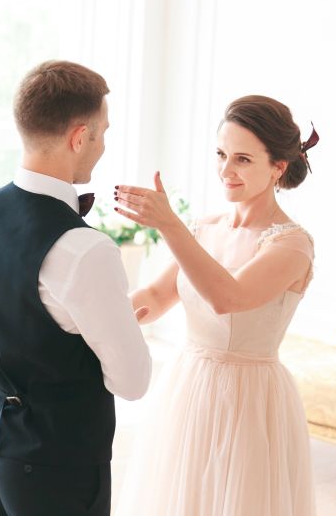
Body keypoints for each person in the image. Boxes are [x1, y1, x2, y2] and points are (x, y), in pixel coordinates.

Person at [0, 60, 152, 516]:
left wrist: (2, 419)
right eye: (102, 133)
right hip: (61, 463)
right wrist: (120, 331)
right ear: (79, 137)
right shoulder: (84, 249)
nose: (102, 146)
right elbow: (132, 380)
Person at [113, 95, 319, 515]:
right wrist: (88, 322)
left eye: (242, 159)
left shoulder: (292, 244)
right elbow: (155, 297)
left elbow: (228, 298)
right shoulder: (203, 228)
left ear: (278, 167)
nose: (225, 170)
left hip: (250, 398)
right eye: (221, 154)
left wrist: (169, 225)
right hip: (189, 384)